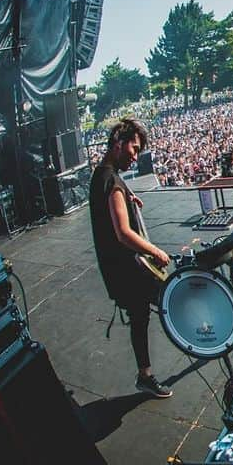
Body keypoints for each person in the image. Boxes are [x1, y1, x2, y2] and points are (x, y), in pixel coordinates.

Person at [89, 118, 173, 398]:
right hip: (128, 270)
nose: (136, 157)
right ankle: (204, 339)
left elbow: (112, 188)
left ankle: (144, 375)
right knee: (171, 297)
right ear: (118, 143)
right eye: (134, 149)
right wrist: (156, 251)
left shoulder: (100, 175)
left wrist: (128, 194)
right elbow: (124, 233)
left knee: (139, 317)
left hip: (115, 270)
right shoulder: (112, 182)